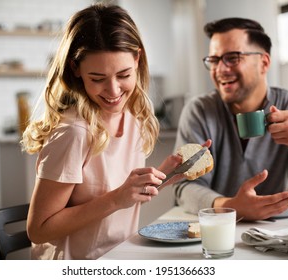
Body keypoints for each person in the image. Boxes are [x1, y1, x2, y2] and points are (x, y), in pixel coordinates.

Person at [20, 3, 183, 260]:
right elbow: (38, 230)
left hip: (118, 257)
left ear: (137, 59)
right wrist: (117, 198)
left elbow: (118, 198)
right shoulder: (74, 133)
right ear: (76, 69)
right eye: (97, 78)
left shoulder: (134, 117)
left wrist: (159, 178)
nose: (114, 91)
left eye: (124, 74)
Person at [173, 17, 288, 221]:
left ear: (264, 63)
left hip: (276, 233)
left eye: (232, 58)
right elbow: (185, 186)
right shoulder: (199, 111)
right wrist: (231, 207)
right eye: (214, 60)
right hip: (215, 228)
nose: (220, 69)